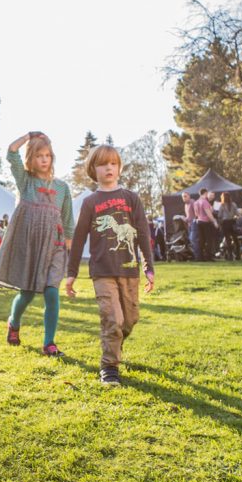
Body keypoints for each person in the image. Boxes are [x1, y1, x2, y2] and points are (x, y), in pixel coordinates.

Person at [66, 145, 155, 385]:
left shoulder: (131, 198)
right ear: (93, 169)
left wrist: (148, 267)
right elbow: (79, 239)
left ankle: (114, 343)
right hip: (102, 271)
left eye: (113, 163)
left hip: (129, 270)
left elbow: (143, 234)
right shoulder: (90, 202)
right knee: (112, 319)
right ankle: (109, 367)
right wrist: (71, 272)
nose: (109, 168)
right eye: (103, 164)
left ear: (119, 167)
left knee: (129, 320)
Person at [0, 131, 75, 357]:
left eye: (48, 155)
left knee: (51, 292)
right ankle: (14, 322)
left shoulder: (62, 188)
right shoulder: (25, 181)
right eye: (39, 155)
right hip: (30, 245)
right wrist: (28, 136)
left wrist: (69, 252)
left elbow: (68, 221)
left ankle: (49, 342)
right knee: (27, 293)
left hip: (55, 245)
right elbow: (11, 152)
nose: (44, 159)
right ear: (32, 158)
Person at [192, 188, 218, 262]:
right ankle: (208, 256)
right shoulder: (205, 202)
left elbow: (196, 214)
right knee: (209, 240)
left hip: (199, 222)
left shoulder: (196, 202)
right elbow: (208, 213)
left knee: (201, 240)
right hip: (206, 222)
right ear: (205, 193)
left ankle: (200, 257)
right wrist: (214, 221)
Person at [217, 193, 239, 260]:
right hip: (232, 222)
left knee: (228, 239)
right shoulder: (234, 204)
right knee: (235, 239)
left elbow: (219, 215)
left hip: (225, 223)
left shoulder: (222, 205)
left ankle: (230, 256)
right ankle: (238, 255)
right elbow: (237, 214)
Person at [182, 192, 199, 261]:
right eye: (183, 197)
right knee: (191, 240)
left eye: (185, 196)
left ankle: (197, 256)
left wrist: (188, 219)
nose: (184, 198)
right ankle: (194, 256)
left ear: (189, 196)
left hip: (194, 224)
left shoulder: (193, 202)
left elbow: (196, 214)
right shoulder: (186, 205)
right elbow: (188, 216)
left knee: (193, 239)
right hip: (189, 225)